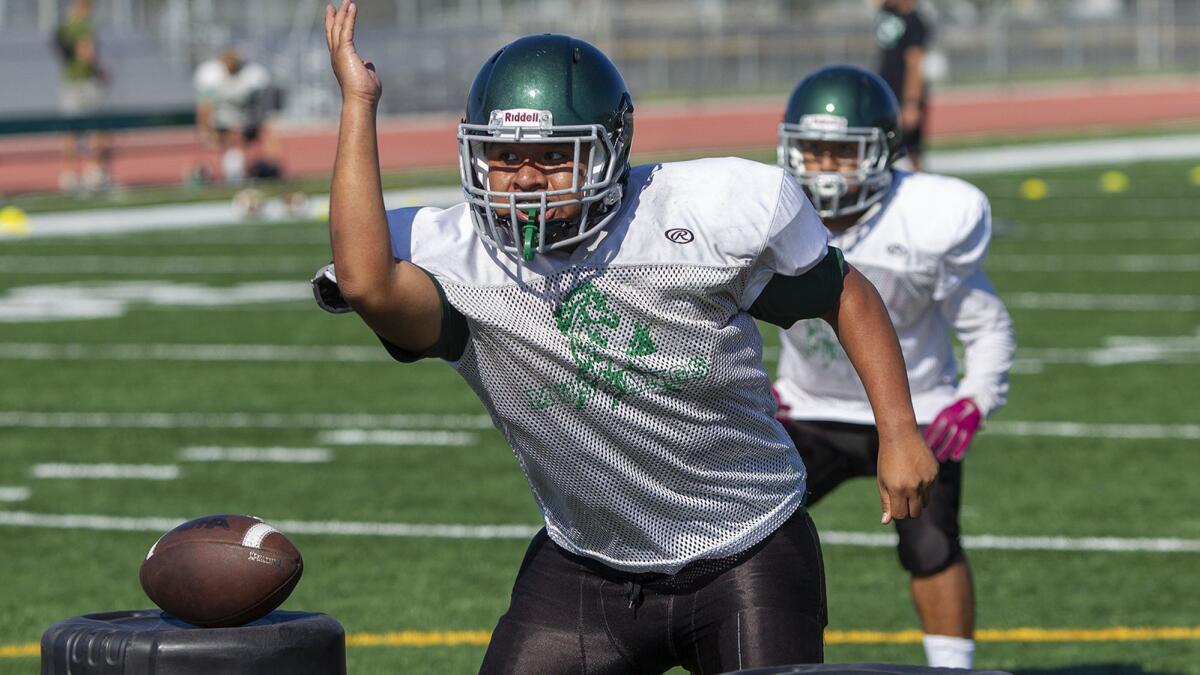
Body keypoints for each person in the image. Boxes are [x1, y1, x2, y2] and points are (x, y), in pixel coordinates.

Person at [316, 2, 936, 671]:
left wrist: (899, 431)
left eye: (555, 157)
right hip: (587, 565)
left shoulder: (695, 220)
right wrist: (359, 102)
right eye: (504, 157)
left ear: (611, 152)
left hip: (746, 546)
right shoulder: (460, 256)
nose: (524, 178)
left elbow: (846, 292)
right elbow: (367, 283)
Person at [775, 64, 1016, 670]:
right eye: (812, 151)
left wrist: (975, 399)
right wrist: (762, 390)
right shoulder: (770, 211)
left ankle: (952, 668)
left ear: (883, 154)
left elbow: (986, 325)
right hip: (809, 408)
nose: (823, 168)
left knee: (932, 545)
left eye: (842, 152)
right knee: (746, 531)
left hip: (915, 413)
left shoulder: (930, 217)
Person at [193, 47, 283, 183]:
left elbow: (263, 106)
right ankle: (235, 174)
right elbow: (205, 108)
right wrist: (205, 130)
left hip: (248, 120)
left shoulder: (253, 76)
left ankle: (273, 168)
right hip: (222, 122)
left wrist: (263, 123)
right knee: (235, 134)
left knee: (270, 133)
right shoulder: (211, 77)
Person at [53, 0, 113, 193]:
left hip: (69, 81)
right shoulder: (83, 26)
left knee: (71, 130)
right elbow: (86, 52)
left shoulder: (65, 26)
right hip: (85, 82)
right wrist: (100, 70)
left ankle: (70, 174)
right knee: (97, 128)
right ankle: (96, 172)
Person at [875, 0, 931, 171]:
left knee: (911, 151)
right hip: (887, 93)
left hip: (904, 95)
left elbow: (915, 63)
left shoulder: (914, 22)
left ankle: (923, 190)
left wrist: (912, 102)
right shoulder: (888, 13)